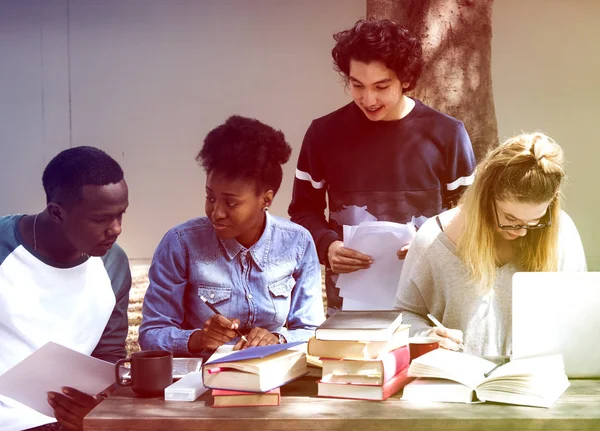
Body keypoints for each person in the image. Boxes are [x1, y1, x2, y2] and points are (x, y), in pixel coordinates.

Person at [288, 19, 476, 316]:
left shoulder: (447, 134)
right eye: (357, 85)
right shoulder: (323, 134)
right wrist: (327, 246)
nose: (368, 99)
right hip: (348, 307)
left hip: (430, 306)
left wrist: (430, 243)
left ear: (405, 79)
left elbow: (471, 215)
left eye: (381, 86)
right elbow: (302, 211)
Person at [139, 115, 324, 358]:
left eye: (231, 202)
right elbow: (151, 334)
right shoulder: (180, 243)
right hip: (200, 382)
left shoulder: (297, 243)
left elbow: (313, 330)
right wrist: (198, 339)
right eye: (210, 198)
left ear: (266, 200)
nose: (216, 213)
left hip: (272, 377)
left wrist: (277, 338)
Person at [395, 132, 587, 357]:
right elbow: (404, 316)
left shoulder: (561, 232)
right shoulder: (434, 237)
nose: (521, 231)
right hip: (456, 384)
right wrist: (425, 336)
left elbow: (580, 315)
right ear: (485, 199)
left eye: (534, 221)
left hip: (537, 381)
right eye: (510, 219)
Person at [0, 146, 131, 431]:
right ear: (57, 213)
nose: (116, 229)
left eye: (121, 214)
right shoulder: (4, 250)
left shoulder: (114, 265)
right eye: (101, 219)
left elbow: (109, 354)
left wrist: (98, 405)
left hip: (73, 422)